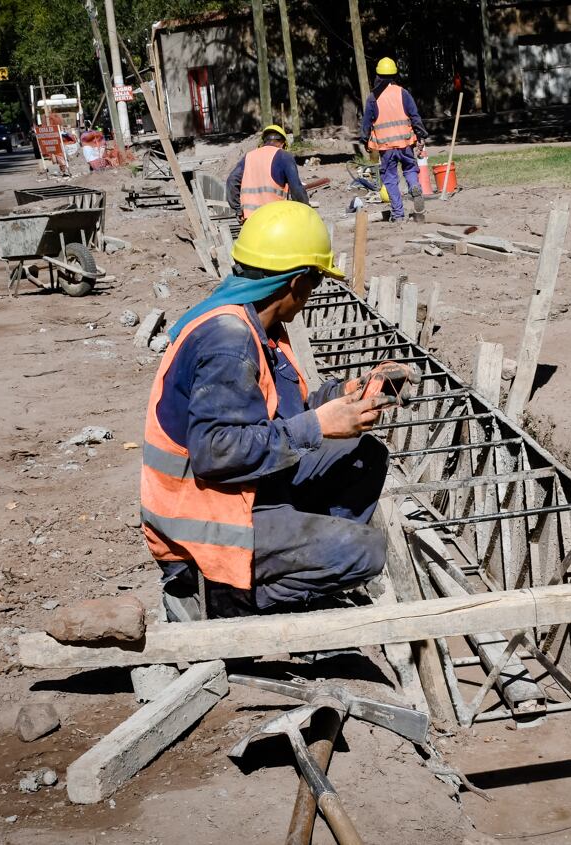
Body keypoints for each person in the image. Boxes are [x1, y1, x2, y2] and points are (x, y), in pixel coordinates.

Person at [141, 200, 421, 622]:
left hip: (242, 490)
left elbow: (286, 413)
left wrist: (352, 392)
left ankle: (303, 565)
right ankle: (216, 601)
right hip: (205, 516)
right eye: (315, 284)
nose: (313, 296)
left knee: (366, 454)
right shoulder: (228, 342)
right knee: (366, 550)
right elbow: (216, 452)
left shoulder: (260, 326)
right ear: (296, 284)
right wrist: (319, 426)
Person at [360, 57, 428, 223]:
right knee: (410, 169)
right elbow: (414, 116)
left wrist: (364, 141)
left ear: (377, 75)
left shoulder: (373, 98)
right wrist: (421, 135)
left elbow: (366, 123)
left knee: (390, 179)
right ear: (395, 75)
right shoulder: (403, 93)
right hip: (405, 143)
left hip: (386, 147)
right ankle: (414, 186)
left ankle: (398, 215)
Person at [226, 124, 308, 223]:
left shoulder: (249, 156)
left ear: (264, 142)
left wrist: (238, 209)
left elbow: (232, 180)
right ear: (283, 144)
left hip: (250, 220)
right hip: (275, 219)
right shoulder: (284, 156)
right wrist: (305, 210)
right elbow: (296, 188)